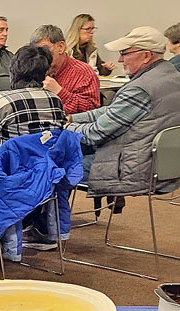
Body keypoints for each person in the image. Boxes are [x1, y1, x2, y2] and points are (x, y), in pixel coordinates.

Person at [66, 27, 180, 210]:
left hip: (132, 169)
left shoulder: (140, 89)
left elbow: (95, 134)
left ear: (146, 55)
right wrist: (73, 118)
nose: (119, 59)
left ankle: (47, 231)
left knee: (51, 163)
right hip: (160, 166)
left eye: (124, 54)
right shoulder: (170, 77)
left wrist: (64, 128)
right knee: (68, 148)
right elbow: (112, 111)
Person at [0, 45, 65, 147]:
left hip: (14, 162)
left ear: (13, 69)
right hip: (49, 161)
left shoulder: (2, 102)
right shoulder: (55, 100)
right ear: (45, 73)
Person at [31, 25, 101, 114]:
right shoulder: (34, 69)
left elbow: (92, 110)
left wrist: (60, 92)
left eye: (45, 50)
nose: (40, 56)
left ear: (61, 47)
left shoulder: (83, 72)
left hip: (71, 125)